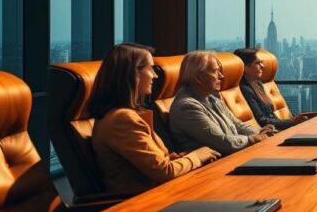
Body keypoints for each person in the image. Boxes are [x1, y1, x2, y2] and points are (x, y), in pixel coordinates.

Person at [88, 43, 220, 194]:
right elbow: (164, 172)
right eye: (150, 68)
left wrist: (182, 157)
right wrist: (197, 156)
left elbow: (156, 162)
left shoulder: (118, 116)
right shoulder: (121, 119)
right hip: (145, 202)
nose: (155, 76)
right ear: (133, 74)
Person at [169, 50, 277, 154]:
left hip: (234, 155)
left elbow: (238, 125)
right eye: (215, 71)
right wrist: (253, 139)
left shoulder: (212, 99)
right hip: (213, 167)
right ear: (199, 77)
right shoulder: (187, 107)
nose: (221, 76)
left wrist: (260, 132)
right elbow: (222, 142)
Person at [234, 48, 316, 130]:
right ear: (245, 68)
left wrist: (294, 120)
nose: (263, 66)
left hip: (280, 127)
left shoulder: (258, 84)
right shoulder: (245, 90)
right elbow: (262, 121)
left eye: (261, 63)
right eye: (257, 63)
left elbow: (270, 115)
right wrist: (292, 122)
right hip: (273, 133)